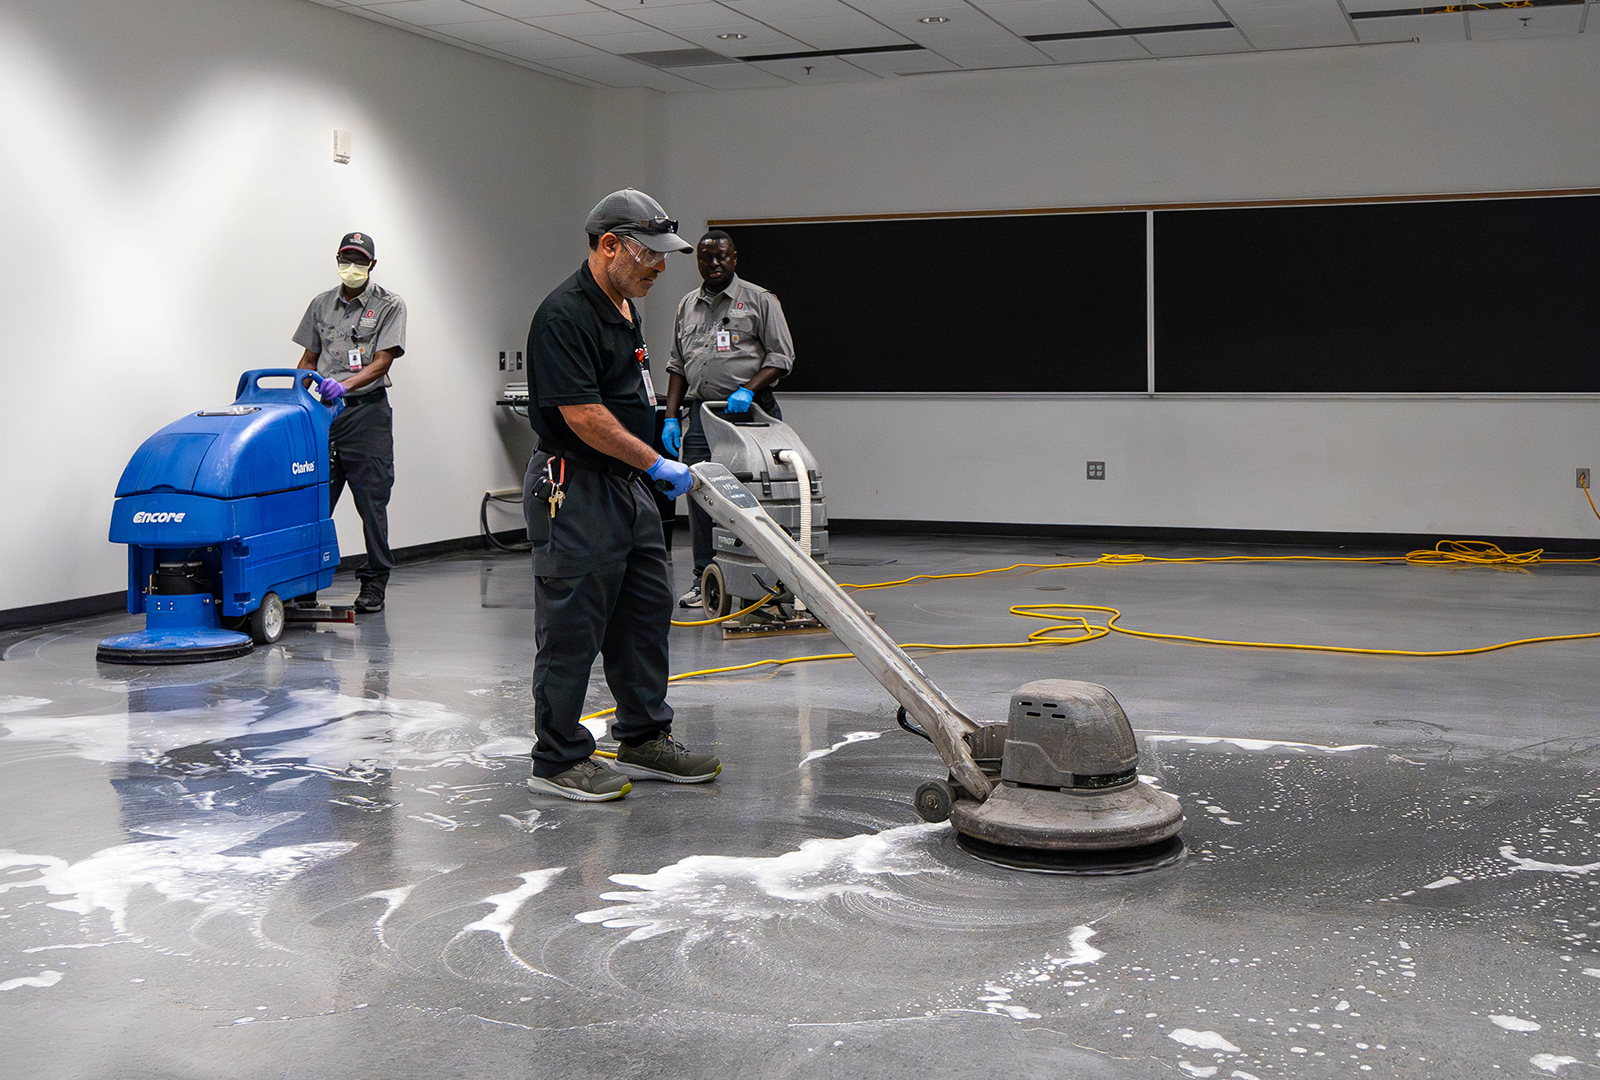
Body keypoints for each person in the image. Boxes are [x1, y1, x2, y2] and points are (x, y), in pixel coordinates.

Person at [521, 189, 720, 802]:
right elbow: (582, 415)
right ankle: (557, 759)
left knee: (643, 615)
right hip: (575, 486)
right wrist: (658, 460)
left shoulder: (622, 305)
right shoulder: (565, 315)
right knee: (574, 624)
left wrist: (649, 448)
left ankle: (643, 737)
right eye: (650, 257)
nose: (661, 268)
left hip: (625, 487)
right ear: (609, 246)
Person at [662, 230, 796, 608]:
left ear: (734, 258)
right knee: (701, 495)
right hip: (703, 416)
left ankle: (768, 580)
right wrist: (671, 418)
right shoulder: (687, 305)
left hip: (750, 415)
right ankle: (704, 577)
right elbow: (677, 365)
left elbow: (781, 358)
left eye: (721, 256)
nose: (714, 263)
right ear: (698, 262)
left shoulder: (758, 300)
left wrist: (748, 389)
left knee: (758, 498)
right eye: (706, 258)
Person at [293, 231, 406, 614]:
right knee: (313, 500)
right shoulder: (321, 305)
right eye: (346, 259)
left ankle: (374, 582)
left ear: (371, 265)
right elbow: (309, 359)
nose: (352, 267)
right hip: (324, 415)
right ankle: (304, 581)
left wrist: (342, 385)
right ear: (337, 260)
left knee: (371, 502)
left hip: (366, 413)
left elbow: (382, 362)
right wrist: (300, 398)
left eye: (360, 261)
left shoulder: (389, 305)